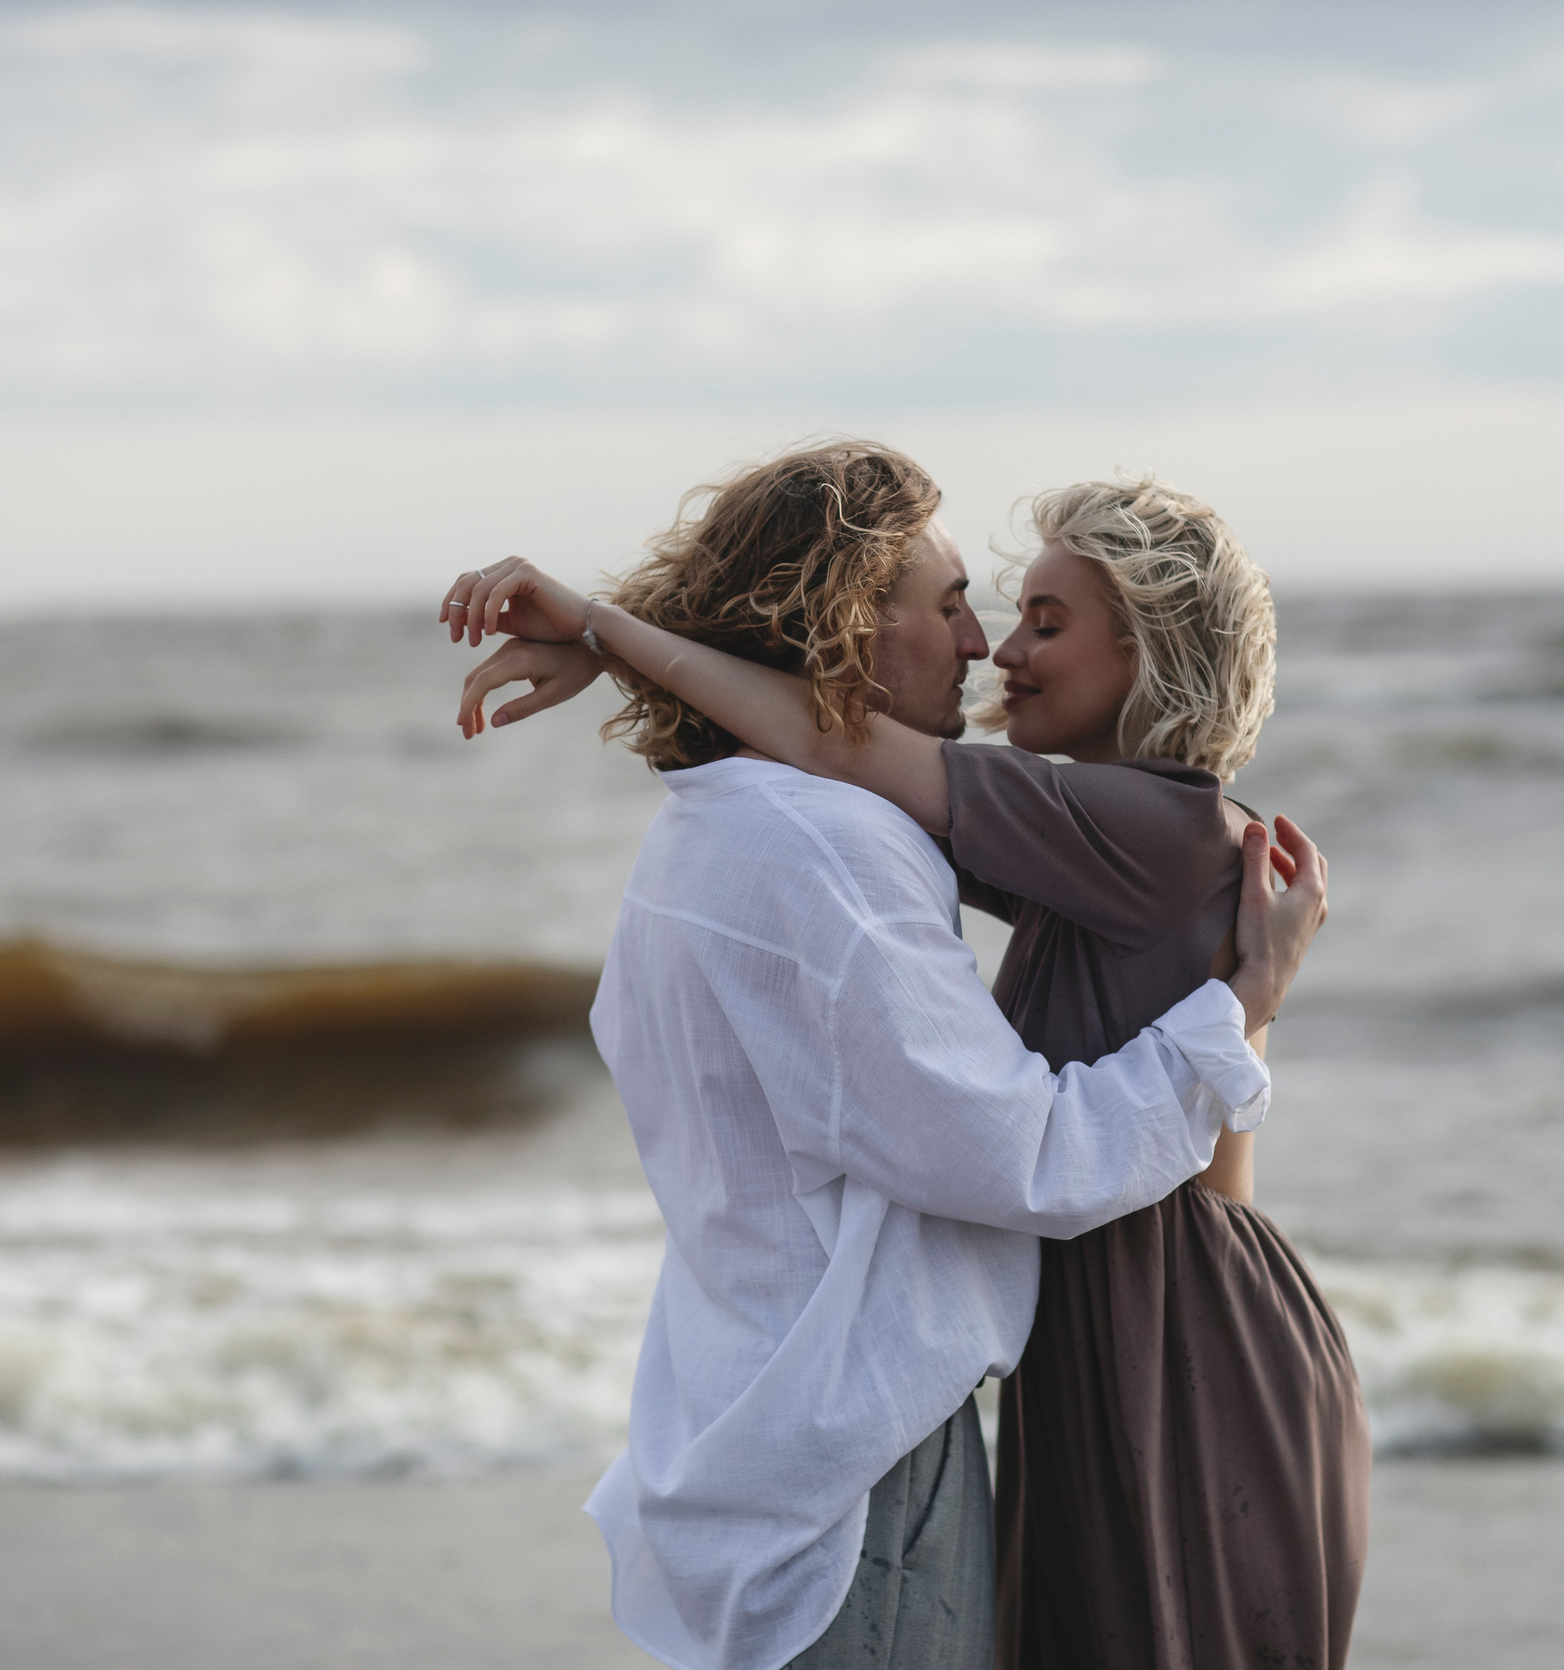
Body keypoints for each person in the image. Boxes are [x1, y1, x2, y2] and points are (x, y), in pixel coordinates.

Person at [450, 470, 1366, 1670]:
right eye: (988, 611)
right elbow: (830, 744)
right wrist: (623, 652)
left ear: (1150, 654)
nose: (999, 651)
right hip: (1116, 1321)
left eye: (1047, 622)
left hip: (1177, 1321)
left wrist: (607, 630)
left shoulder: (1160, 830)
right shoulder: (1065, 841)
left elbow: (828, 737)